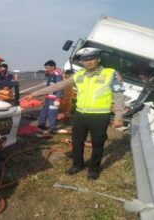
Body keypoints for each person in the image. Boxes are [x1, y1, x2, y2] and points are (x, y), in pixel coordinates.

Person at [24, 47, 125, 180]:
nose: (88, 62)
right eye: (85, 60)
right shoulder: (79, 75)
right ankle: (77, 165)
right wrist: (35, 93)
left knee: (97, 143)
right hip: (80, 115)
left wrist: (118, 117)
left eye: (91, 59)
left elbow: (119, 96)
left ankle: (94, 169)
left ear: (98, 59)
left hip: (100, 116)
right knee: (77, 142)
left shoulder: (111, 73)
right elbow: (58, 86)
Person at [37, 60, 63, 134]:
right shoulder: (50, 75)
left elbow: (59, 87)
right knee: (43, 112)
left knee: (52, 113)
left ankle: (53, 128)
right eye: (45, 68)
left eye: (47, 68)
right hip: (48, 98)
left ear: (53, 67)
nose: (46, 69)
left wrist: (58, 99)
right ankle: (41, 125)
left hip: (54, 99)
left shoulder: (57, 75)